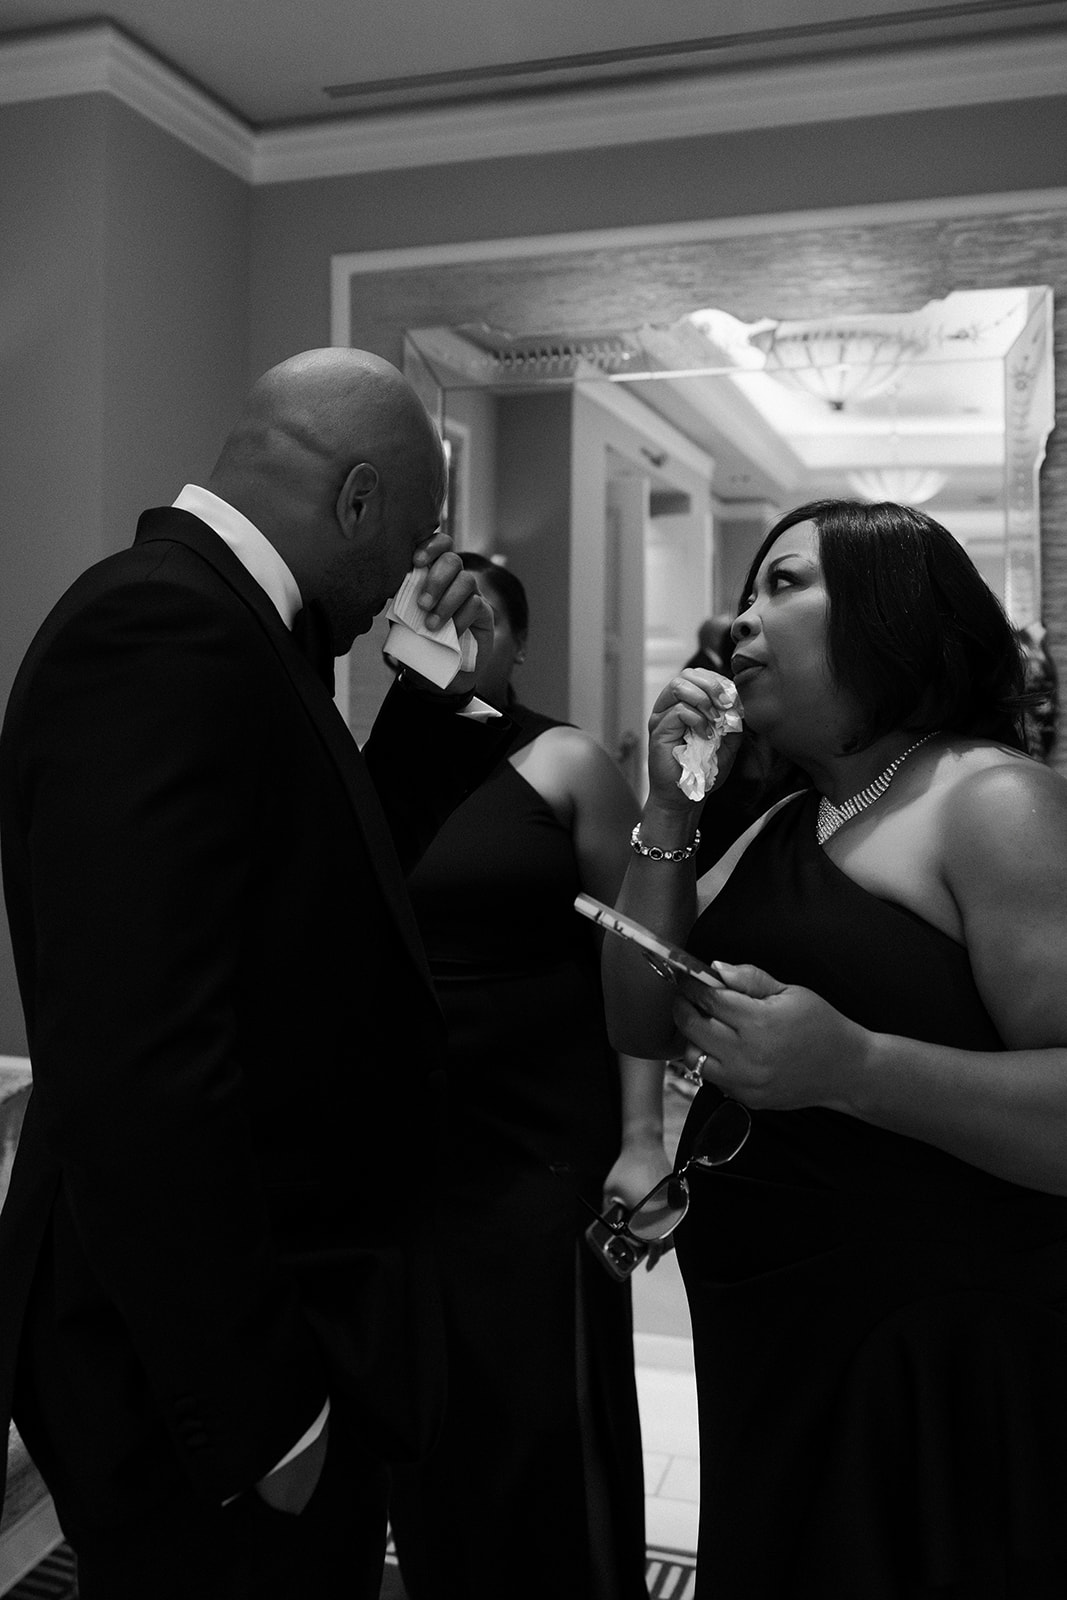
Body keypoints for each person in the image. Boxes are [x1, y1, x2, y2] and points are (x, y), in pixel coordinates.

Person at [0, 348, 515, 1600]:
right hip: (201, 1373)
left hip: (279, 1328)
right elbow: (138, 1062)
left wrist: (437, 698)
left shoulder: (239, 638)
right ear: (353, 501)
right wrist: (267, 1412)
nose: (405, 571)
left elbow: (314, 903)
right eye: (406, 536)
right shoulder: (160, 625)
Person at [602, 499, 1067, 1598]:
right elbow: (632, 1014)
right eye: (747, 590)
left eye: (782, 585)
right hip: (777, 1335)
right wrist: (669, 809)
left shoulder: (989, 800)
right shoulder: (781, 822)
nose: (737, 622)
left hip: (932, 1359)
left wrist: (852, 1065)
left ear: (886, 614)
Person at [388, 554, 665, 1600]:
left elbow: (635, 942)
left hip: (543, 1149)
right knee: (435, 1424)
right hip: (416, 1152)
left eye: (483, 613)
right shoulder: (380, 762)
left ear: (515, 641)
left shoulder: (565, 761)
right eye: (437, 608)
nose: (459, 626)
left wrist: (641, 1135)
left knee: (549, 1419)